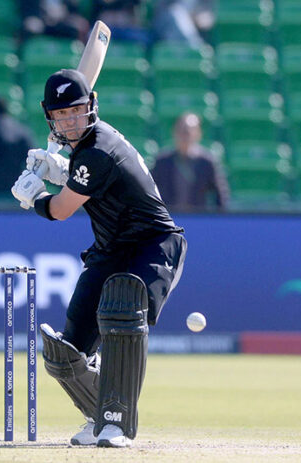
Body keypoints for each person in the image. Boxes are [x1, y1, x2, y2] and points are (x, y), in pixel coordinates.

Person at [11, 69, 187, 447]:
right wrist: (59, 169)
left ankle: (117, 423)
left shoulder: (98, 149)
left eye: (76, 111)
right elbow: (84, 179)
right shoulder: (85, 152)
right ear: (51, 118)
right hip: (110, 250)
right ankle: (100, 414)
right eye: (62, 115)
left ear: (91, 106)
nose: (70, 120)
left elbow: (60, 210)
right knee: (66, 354)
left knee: (123, 313)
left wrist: (33, 196)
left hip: (151, 246)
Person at [151, 112, 229, 211]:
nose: (184, 135)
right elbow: (150, 192)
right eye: (181, 131)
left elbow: (221, 195)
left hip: (198, 220)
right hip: (169, 219)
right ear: (174, 132)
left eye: (188, 132)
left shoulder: (207, 162)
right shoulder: (162, 161)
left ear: (198, 133)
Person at [20, 0, 90, 41]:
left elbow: (73, 13)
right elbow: (29, 13)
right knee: (32, 26)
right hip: (42, 25)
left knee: (80, 27)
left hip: (61, 25)